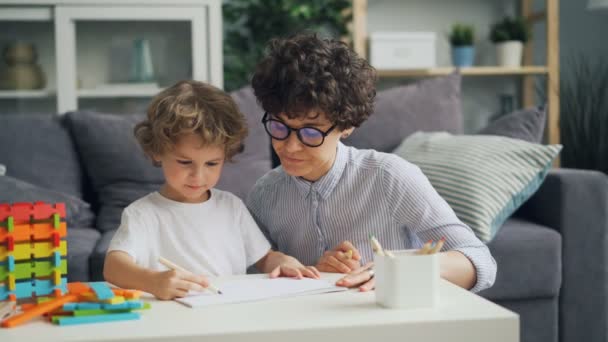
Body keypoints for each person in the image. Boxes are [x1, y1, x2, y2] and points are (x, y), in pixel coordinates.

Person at [246, 33, 496, 292]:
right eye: (278, 126)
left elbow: (480, 261)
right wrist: (313, 270)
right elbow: (255, 273)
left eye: (310, 133)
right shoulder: (265, 194)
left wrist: (402, 269)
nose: (289, 146)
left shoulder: (389, 176)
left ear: (346, 126)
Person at [104, 80, 320, 300]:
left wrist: (281, 261)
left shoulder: (231, 206)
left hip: (226, 313)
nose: (198, 176)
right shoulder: (143, 214)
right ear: (158, 151)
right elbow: (113, 267)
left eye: (212, 164)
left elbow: (264, 258)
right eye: (185, 162)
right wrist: (152, 281)